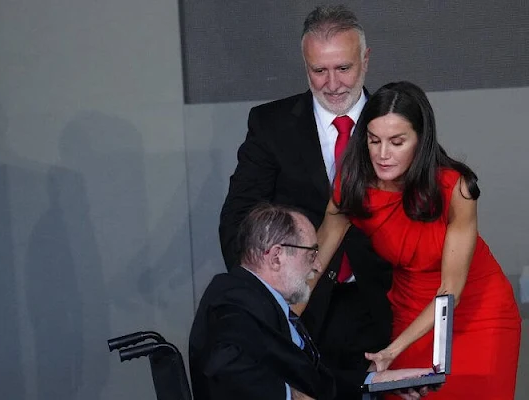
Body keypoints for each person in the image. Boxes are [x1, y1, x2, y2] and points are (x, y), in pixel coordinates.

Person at [218, 6, 392, 397]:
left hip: (387, 303)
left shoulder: (398, 119)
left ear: (366, 59)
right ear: (304, 65)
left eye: (343, 68)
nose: (332, 84)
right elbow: (238, 219)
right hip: (303, 310)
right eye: (319, 71)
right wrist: (260, 300)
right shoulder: (270, 124)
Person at [316, 81, 522, 399]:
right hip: (411, 309)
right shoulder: (354, 186)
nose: (383, 154)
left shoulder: (456, 188)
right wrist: (274, 321)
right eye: (374, 141)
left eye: (397, 142)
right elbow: (313, 264)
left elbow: (450, 291)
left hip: (478, 310)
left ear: (420, 141)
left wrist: (390, 351)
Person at [191, 203, 433, 400]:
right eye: (311, 254)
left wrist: (377, 381)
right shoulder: (233, 303)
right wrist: (292, 395)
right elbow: (223, 368)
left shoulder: (252, 297)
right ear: (276, 257)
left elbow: (311, 381)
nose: (318, 266)